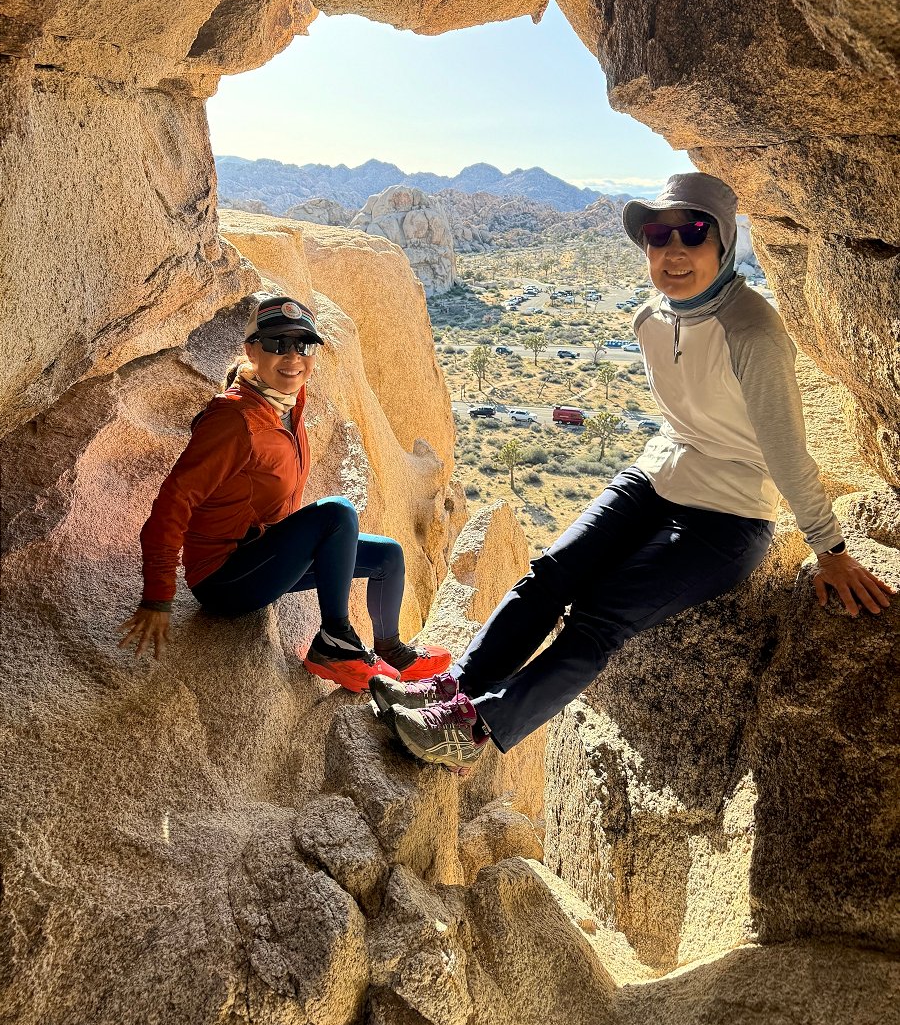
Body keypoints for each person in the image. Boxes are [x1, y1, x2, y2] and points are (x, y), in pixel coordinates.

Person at [370, 172, 895, 770]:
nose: (674, 251)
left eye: (692, 233)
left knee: (599, 616)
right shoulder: (650, 319)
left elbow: (786, 450)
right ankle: (452, 690)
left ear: (723, 244)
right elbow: (681, 419)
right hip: (656, 475)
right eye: (657, 235)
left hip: (727, 514)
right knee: (548, 576)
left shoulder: (752, 330)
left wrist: (831, 549)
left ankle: (471, 729)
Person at [118, 293, 450, 691]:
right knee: (336, 512)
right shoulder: (233, 420)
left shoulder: (287, 404)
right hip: (225, 578)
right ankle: (335, 644)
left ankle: (392, 652)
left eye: (303, 345)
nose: (292, 356)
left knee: (388, 556)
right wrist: (157, 596)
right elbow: (173, 501)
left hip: (266, 555)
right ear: (251, 351)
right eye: (277, 343)